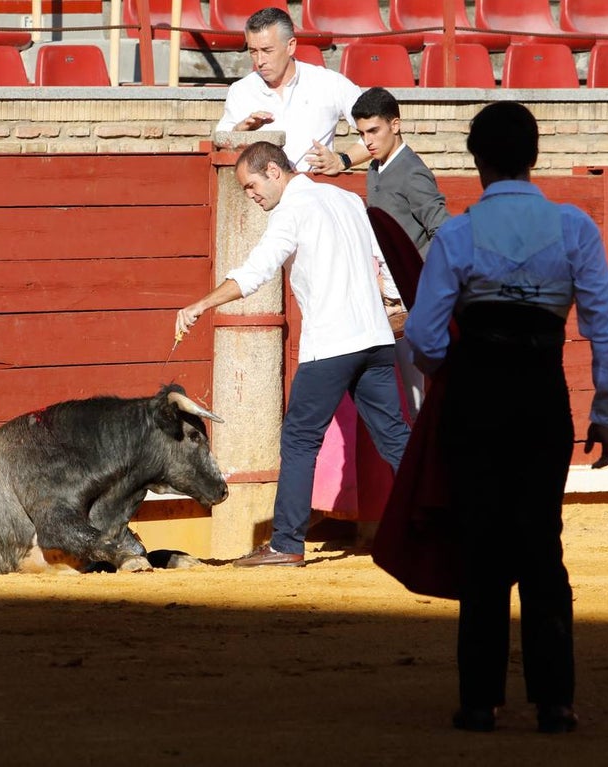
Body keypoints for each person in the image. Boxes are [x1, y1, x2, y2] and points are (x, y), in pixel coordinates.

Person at [404, 101, 608, 734]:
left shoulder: (459, 233)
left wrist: (456, 374)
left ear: (478, 162)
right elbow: (607, 331)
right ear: (534, 157)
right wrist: (604, 412)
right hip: (540, 396)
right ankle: (554, 701)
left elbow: (423, 336)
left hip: (476, 396)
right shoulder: (574, 227)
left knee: (481, 548)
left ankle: (480, 703)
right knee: (540, 544)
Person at [176, 141, 410, 567]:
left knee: (300, 440)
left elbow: (256, 271)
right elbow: (383, 264)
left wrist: (201, 304)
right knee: (395, 436)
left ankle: (285, 543)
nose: (251, 195)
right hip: (375, 338)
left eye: (251, 185)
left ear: (273, 170)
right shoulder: (346, 199)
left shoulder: (291, 211)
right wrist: (396, 307)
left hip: (332, 345)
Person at [353, 85, 449, 415]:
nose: (368, 141)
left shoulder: (412, 172)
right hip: (386, 296)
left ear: (395, 125)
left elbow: (442, 231)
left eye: (374, 131)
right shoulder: (376, 168)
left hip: (412, 300)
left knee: (418, 396)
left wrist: (418, 284)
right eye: (362, 133)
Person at [214, 7, 369, 175]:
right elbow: (219, 145)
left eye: (267, 51)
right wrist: (239, 132)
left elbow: (380, 128)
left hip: (314, 192)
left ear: (290, 46)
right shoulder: (241, 91)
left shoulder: (329, 83)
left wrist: (342, 161)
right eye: (253, 52)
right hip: (261, 198)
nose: (259, 61)